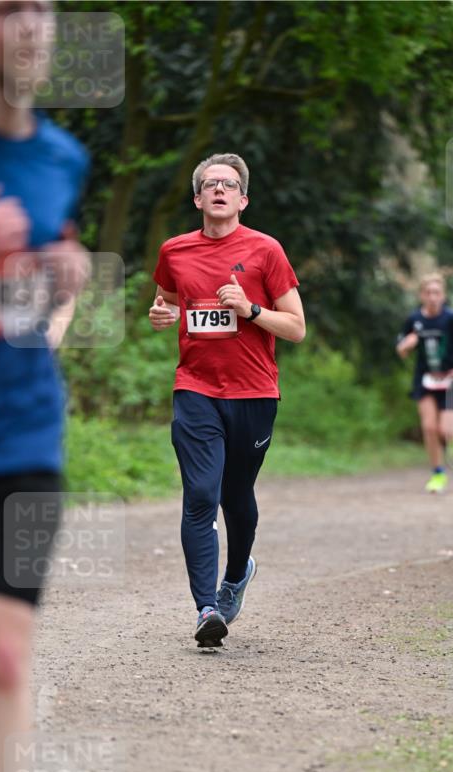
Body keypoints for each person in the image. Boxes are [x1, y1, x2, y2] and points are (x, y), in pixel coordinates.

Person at [0, 0, 89, 772]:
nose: (33, 26)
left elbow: (33, 299)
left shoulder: (61, 159)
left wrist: (58, 283)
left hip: (20, 437)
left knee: (1, 657)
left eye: (44, 7)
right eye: (8, 7)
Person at [149, 153, 305, 646]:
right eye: (210, 184)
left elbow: (296, 328)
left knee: (236, 497)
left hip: (255, 392)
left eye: (229, 184)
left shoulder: (266, 251)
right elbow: (167, 301)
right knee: (200, 496)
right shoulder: (174, 251)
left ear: (243, 198)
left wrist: (251, 308)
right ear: (198, 198)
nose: (219, 189)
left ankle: (237, 574)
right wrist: (161, 314)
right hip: (195, 388)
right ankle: (206, 609)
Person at [396, 272, 453, 493]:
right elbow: (401, 349)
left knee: (446, 431)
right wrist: (408, 343)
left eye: (437, 293)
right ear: (421, 295)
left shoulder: (452, 319)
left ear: (443, 295)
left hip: (450, 379)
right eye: (428, 293)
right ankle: (438, 474)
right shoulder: (414, 320)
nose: (433, 297)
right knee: (429, 428)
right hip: (424, 379)